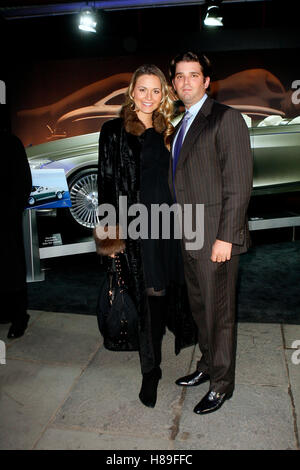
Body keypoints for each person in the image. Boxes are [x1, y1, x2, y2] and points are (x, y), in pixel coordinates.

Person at [94, 64, 196, 408]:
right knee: (149, 297)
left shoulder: (172, 130)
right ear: (131, 91)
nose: (149, 97)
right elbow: (106, 184)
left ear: (164, 94)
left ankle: (171, 345)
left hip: (172, 226)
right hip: (139, 230)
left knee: (170, 294)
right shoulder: (113, 131)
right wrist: (110, 240)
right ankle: (150, 370)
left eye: (156, 91)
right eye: (143, 90)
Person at [168, 51, 253, 414]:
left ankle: (222, 384)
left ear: (206, 82)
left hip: (216, 238)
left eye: (193, 75)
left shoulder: (226, 119)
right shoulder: (179, 123)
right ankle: (206, 366)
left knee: (220, 316)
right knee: (201, 311)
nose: (186, 81)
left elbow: (239, 185)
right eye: (180, 76)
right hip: (188, 235)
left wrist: (226, 238)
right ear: (174, 83)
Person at [0, 104, 32, 338]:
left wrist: (10, 213)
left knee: (12, 271)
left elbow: (23, 182)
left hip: (5, 220)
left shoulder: (11, 143)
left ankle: (19, 317)